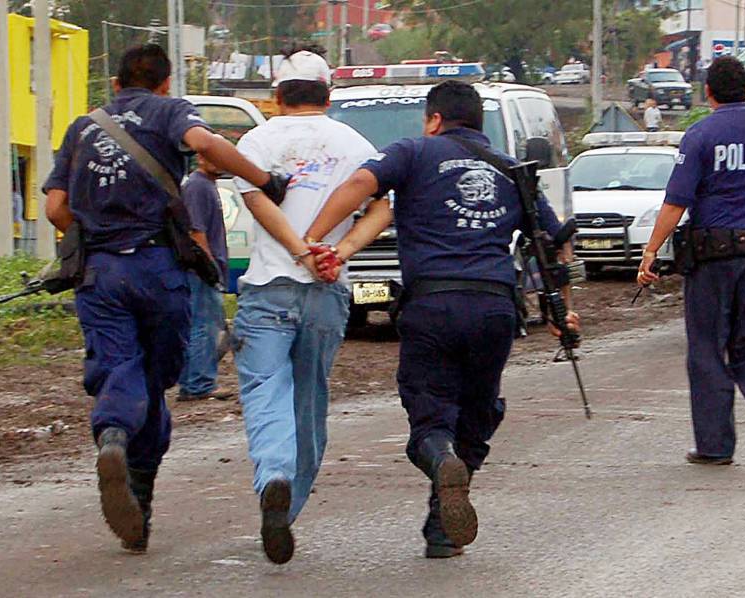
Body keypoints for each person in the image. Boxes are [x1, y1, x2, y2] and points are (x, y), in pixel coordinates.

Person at [304, 80, 579, 559]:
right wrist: (564, 310)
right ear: (479, 123)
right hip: (494, 307)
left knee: (430, 417)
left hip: (431, 305)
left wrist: (315, 238)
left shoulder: (412, 152)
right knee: (477, 414)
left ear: (434, 119)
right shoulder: (515, 171)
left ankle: (440, 457)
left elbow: (358, 187)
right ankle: (442, 531)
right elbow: (554, 244)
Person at [44, 44, 287, 554]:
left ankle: (115, 442)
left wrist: (94, 237)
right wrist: (264, 179)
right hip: (158, 268)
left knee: (119, 368)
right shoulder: (171, 111)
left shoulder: (81, 126)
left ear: (114, 84)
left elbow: (55, 207)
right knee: (154, 378)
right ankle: (136, 480)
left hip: (100, 272)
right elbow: (205, 142)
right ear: (163, 82)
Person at [230, 48, 380, 565]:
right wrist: (337, 251)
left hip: (269, 286)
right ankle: (287, 507)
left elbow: (256, 201)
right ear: (328, 95)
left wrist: (298, 250)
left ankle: (273, 472)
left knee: (265, 388)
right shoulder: (355, 143)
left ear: (278, 96)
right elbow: (382, 205)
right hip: (327, 289)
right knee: (310, 400)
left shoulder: (256, 140)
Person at [637, 56, 745, 466]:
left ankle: (715, 445)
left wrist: (651, 250)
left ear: (708, 92)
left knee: (707, 348)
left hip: (713, 257)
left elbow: (676, 202)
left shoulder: (701, 135)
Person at [177, 151, 235, 402]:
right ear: (200, 158)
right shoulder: (198, 188)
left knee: (204, 325)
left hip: (205, 270)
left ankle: (195, 380)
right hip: (201, 271)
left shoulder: (207, 186)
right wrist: (209, 266)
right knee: (203, 326)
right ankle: (198, 383)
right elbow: (196, 231)